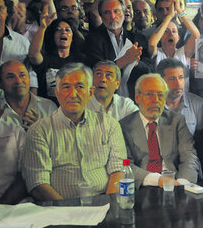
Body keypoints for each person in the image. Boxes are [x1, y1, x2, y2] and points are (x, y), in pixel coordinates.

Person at [22, 63, 127, 200]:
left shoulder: (109, 124)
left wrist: (108, 205)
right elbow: (38, 184)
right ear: (57, 93)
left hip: (103, 201)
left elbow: (118, 170)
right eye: (66, 87)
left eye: (80, 87)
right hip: (59, 208)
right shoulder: (39, 130)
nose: (73, 94)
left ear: (90, 93)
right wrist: (68, 213)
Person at [119, 73, 199, 188]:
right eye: (150, 95)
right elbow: (126, 165)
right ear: (137, 97)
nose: (156, 100)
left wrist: (182, 184)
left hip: (175, 183)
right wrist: (158, 180)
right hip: (142, 185)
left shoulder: (176, 120)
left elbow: (189, 156)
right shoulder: (124, 126)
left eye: (160, 95)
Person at [28, 6, 86, 104]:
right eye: (58, 30)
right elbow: (33, 55)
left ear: (72, 36)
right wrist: (43, 27)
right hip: (48, 110)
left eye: (67, 30)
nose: (63, 32)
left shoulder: (81, 60)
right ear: (53, 35)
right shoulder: (47, 59)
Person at [0, 60, 57, 130]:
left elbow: (58, 140)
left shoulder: (48, 108)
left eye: (22, 75)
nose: (18, 81)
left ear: (29, 79)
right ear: (0, 83)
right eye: (10, 77)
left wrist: (41, 132)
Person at [156, 58, 203, 136]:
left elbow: (201, 139)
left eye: (181, 77)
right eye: (172, 79)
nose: (178, 83)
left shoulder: (198, 104)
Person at [148, 0, 200, 67]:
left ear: (178, 37)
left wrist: (179, 10)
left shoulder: (183, 53)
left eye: (174, 31)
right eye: (166, 31)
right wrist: (169, 16)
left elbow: (196, 35)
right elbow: (152, 43)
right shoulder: (158, 53)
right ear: (160, 37)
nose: (171, 34)